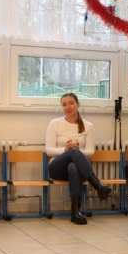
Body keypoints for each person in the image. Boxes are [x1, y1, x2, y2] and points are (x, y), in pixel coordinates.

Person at [45, 93, 112, 225]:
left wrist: (75, 151)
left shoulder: (88, 126)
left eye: (71, 103)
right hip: (57, 167)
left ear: (78, 104)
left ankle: (75, 212)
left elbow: (90, 152)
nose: (68, 107)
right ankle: (98, 185)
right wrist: (66, 149)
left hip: (75, 169)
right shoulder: (54, 124)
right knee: (74, 152)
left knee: (73, 167)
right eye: (64, 104)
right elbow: (49, 150)